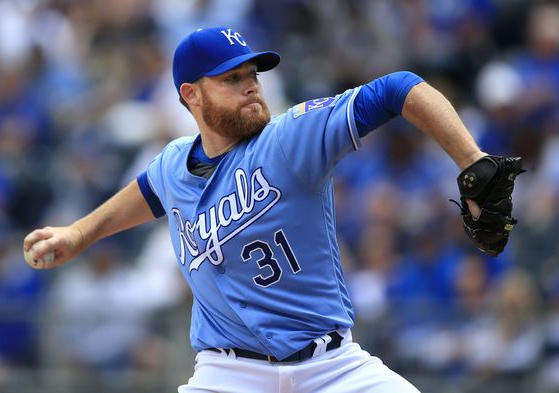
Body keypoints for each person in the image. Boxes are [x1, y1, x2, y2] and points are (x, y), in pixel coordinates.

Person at [24, 26, 488, 393]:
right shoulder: (173, 164)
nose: (251, 87)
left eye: (253, 75)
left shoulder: (289, 138)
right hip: (228, 376)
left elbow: (399, 88)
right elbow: (147, 192)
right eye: (232, 79)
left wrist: (471, 160)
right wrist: (80, 234)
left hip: (332, 369)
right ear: (191, 94)